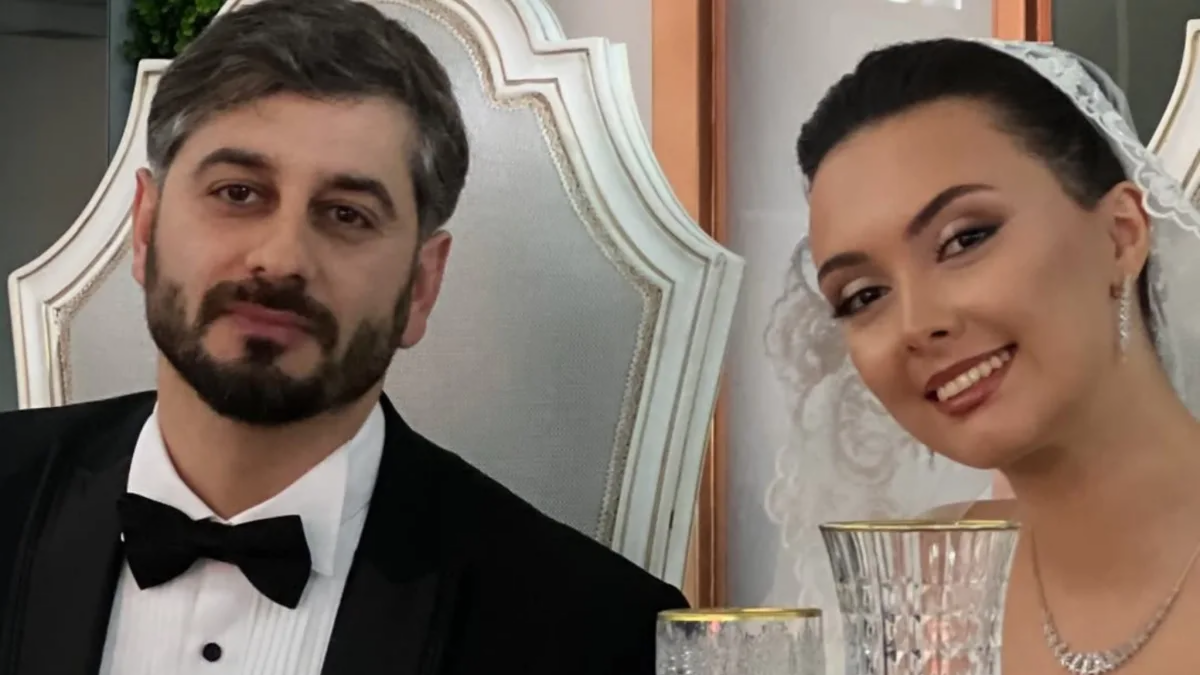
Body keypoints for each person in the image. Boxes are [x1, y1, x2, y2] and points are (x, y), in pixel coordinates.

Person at [0, 0, 688, 672]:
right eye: (238, 192)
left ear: (421, 285)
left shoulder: (594, 633)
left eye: (346, 214)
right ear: (146, 228)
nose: (281, 258)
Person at [795, 38, 1200, 674]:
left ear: (1121, 235)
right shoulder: (919, 590)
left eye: (965, 239)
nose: (917, 325)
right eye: (864, 295)